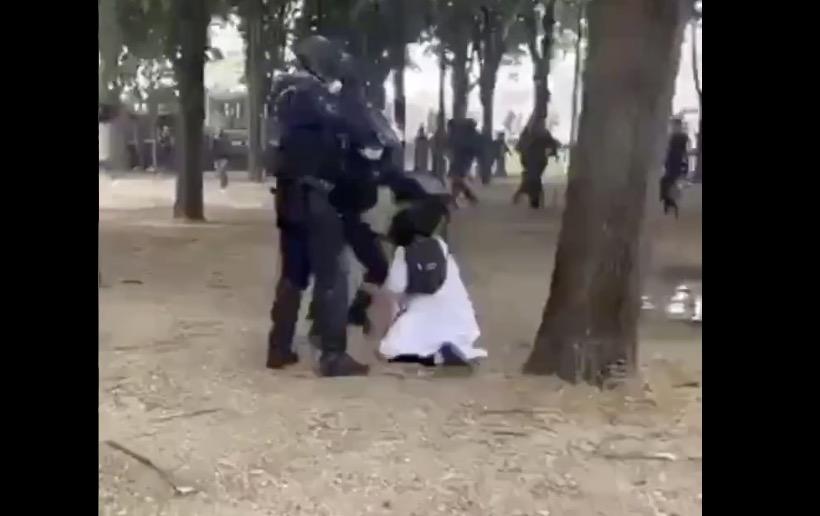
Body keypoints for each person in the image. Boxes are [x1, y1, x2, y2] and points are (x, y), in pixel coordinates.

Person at [265, 35, 374, 377]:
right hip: (316, 194)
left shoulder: (283, 91)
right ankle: (332, 355)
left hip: (289, 194)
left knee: (293, 273)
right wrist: (353, 88)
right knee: (332, 275)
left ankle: (279, 347)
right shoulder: (310, 94)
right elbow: (356, 127)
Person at [376, 197, 486, 366]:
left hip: (421, 316)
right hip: (459, 316)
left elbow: (395, 288)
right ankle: (449, 351)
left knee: (387, 351)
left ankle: (436, 357)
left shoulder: (404, 252)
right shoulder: (441, 245)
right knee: (454, 340)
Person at [513, 121, 559, 209]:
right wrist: (552, 153)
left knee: (532, 178)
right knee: (534, 178)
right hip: (537, 160)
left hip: (531, 160)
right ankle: (534, 199)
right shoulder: (543, 133)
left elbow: (519, 147)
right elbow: (553, 145)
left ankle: (526, 197)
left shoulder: (528, 132)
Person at [660, 117, 690, 217]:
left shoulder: (675, 136)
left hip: (674, 159)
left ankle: (668, 201)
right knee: (669, 180)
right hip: (676, 159)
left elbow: (670, 149)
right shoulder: (682, 136)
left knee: (668, 180)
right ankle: (670, 201)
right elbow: (685, 151)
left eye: (674, 125)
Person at [447, 118, 481, 206]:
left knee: (457, 179)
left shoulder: (465, 135)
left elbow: (458, 146)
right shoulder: (472, 135)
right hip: (463, 159)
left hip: (461, 160)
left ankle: (469, 196)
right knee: (456, 180)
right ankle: (454, 199)